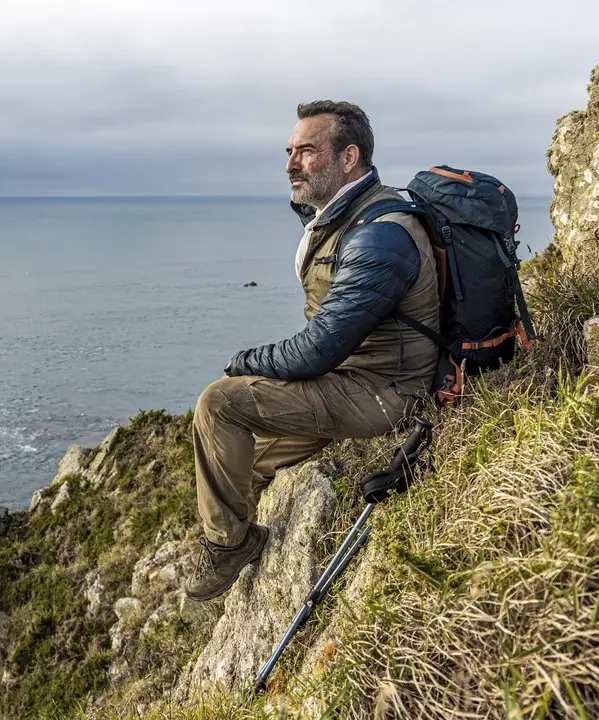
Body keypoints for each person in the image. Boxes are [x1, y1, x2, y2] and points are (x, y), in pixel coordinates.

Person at [184, 101, 441, 601]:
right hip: (355, 378)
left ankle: (228, 546)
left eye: (305, 151)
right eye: (289, 151)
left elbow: (317, 351)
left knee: (219, 405)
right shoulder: (346, 215)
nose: (290, 164)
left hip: (383, 392)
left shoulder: (380, 236)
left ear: (349, 158)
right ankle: (241, 545)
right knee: (245, 463)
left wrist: (245, 362)